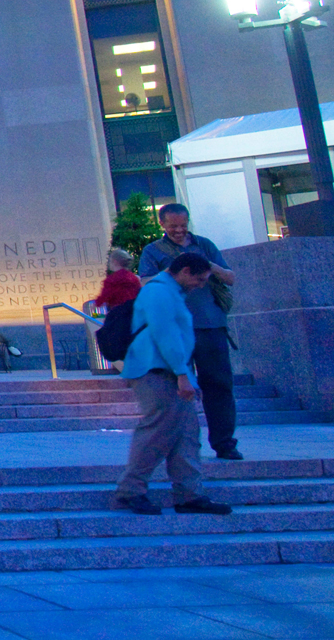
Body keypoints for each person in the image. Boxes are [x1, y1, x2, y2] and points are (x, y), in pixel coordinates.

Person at [113, 251, 234, 516]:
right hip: (156, 371)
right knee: (157, 431)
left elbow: (173, 337)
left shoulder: (170, 292)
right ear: (185, 271)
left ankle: (189, 494)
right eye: (200, 279)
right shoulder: (159, 292)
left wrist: (185, 376)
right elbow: (165, 334)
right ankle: (130, 491)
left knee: (187, 434)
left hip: (167, 370)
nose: (201, 285)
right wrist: (182, 374)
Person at [137, 203, 241, 460]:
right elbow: (144, 284)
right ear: (162, 224)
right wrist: (171, 271)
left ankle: (224, 443)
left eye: (183, 225)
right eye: (173, 226)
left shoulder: (204, 244)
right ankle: (181, 445)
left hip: (210, 325)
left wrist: (206, 265)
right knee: (176, 389)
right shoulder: (153, 251)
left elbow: (230, 277)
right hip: (174, 330)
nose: (179, 230)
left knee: (219, 385)